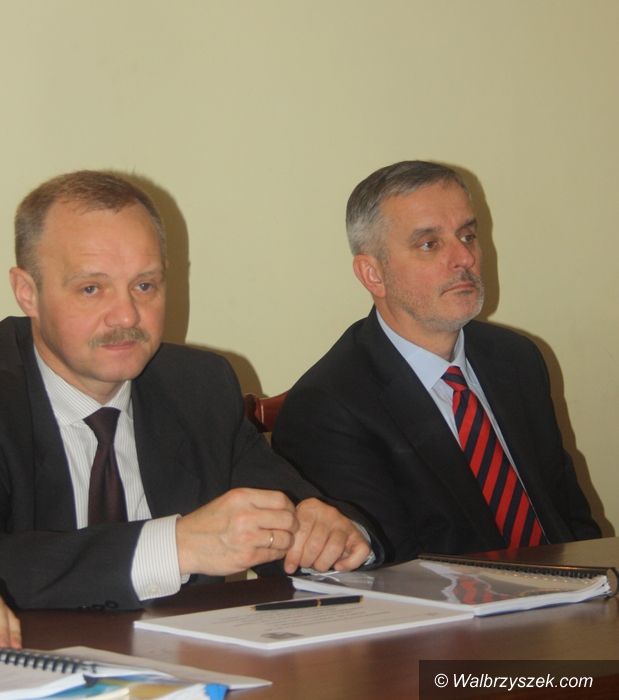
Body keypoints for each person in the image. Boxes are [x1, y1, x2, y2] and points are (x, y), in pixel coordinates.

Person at [0, 170, 379, 610]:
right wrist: (175, 546)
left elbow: (292, 518)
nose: (126, 315)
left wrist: (333, 537)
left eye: (145, 285)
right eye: (91, 288)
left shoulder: (197, 386)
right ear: (27, 292)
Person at [272, 160, 600, 563]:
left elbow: (573, 521)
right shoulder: (329, 407)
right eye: (430, 244)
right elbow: (390, 572)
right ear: (373, 274)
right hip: (459, 602)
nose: (464, 257)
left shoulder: (517, 359)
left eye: (468, 235)